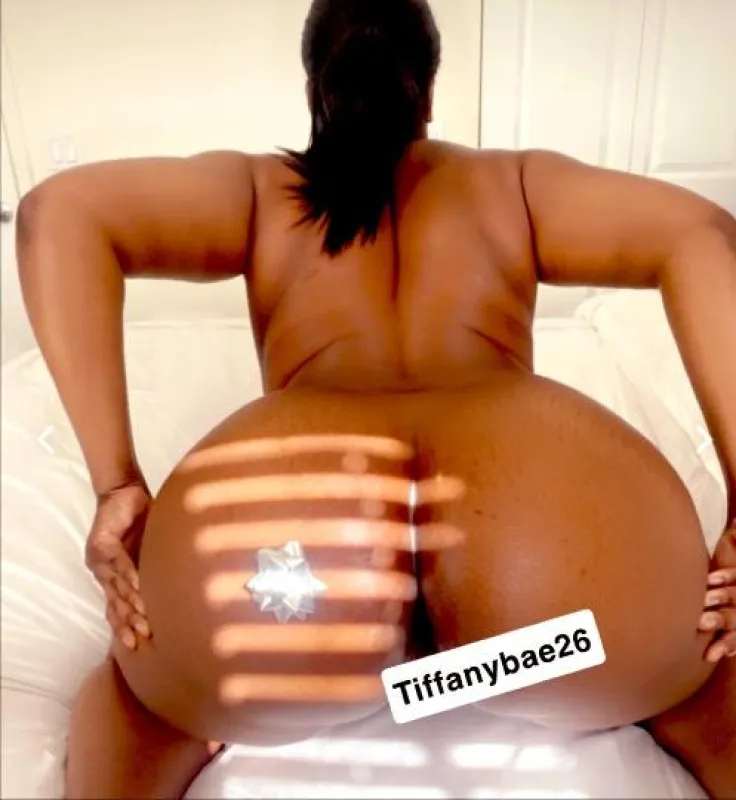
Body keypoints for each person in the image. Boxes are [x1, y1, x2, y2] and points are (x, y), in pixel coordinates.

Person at [16, 0, 736, 797]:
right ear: (427, 89)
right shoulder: (515, 185)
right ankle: (446, 679)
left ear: (314, 87)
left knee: (142, 701)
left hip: (296, 588)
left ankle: (391, 684)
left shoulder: (258, 192)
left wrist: (117, 485)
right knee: (697, 677)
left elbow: (58, 213)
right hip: (550, 617)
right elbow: (702, 234)